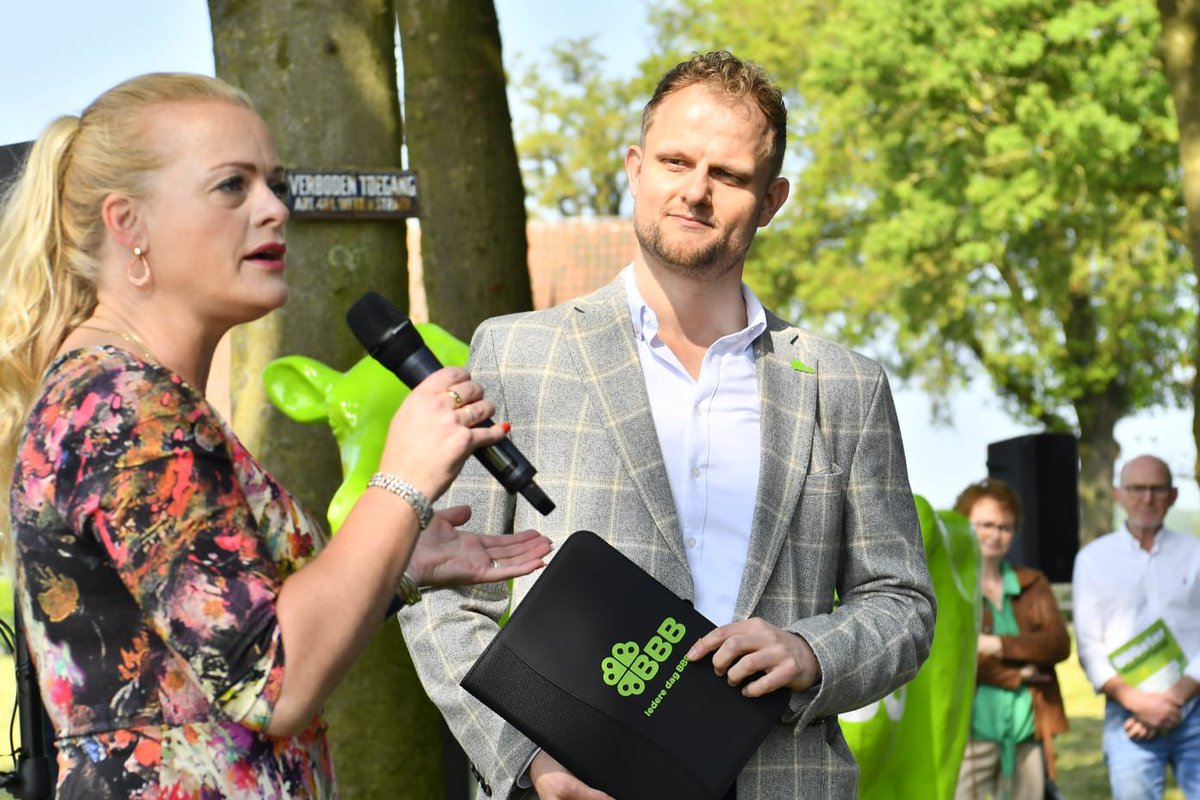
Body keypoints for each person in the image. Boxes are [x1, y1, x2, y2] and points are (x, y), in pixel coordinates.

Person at [399, 50, 936, 800]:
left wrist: (810, 650)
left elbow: (903, 603)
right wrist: (530, 762)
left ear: (773, 199)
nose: (695, 191)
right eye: (676, 161)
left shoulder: (845, 387)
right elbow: (445, 594)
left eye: (730, 175)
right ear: (635, 167)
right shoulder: (518, 352)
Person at [0, 72, 553, 799]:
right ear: (126, 222)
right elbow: (274, 680)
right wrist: (403, 482)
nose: (272, 209)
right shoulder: (123, 405)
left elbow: (209, 643)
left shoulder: (131, 393)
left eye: (274, 183)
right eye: (232, 186)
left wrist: (396, 561)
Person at [1073, 454, 1200, 799]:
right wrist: (1139, 702)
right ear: (1118, 494)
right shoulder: (1092, 560)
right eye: (1137, 488)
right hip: (1128, 712)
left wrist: (1170, 700)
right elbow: (1089, 647)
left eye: (1157, 489)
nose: (1147, 498)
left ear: (1173, 496)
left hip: (1196, 704)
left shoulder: (1196, 553)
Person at [952, 479, 1069, 800]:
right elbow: (954, 661)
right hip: (969, 735)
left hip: (1026, 733)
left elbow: (1057, 644)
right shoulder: (951, 586)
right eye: (985, 524)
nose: (995, 534)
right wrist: (1020, 673)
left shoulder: (1031, 583)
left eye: (1005, 527)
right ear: (963, 525)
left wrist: (996, 646)